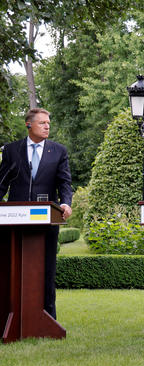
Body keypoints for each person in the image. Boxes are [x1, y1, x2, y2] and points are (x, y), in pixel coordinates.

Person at [0, 108, 73, 319]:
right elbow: (2, 182)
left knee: (46, 270)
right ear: (28, 124)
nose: (47, 126)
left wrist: (66, 203)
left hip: (46, 220)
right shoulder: (12, 150)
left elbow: (64, 183)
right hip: (15, 219)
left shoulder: (58, 151)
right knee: (12, 268)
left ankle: (48, 318)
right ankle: (9, 315)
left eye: (48, 122)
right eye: (42, 123)